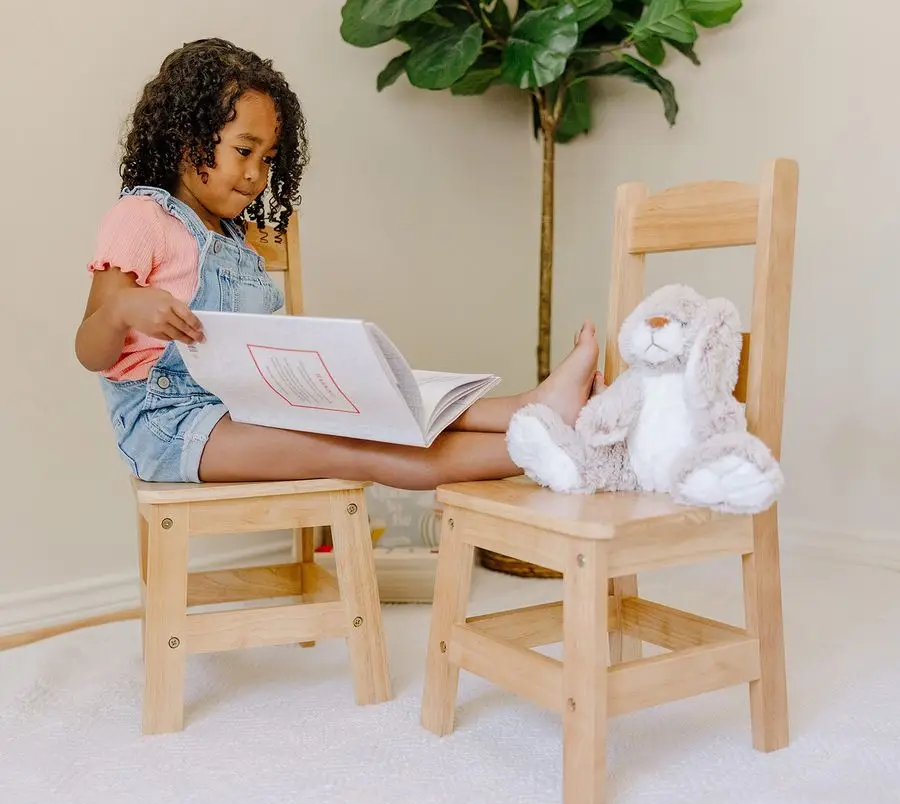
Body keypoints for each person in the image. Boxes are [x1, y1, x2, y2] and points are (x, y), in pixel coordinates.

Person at [75, 38, 600, 490]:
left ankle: (529, 408)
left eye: (268, 158)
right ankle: (543, 448)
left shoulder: (235, 238)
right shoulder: (140, 216)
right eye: (244, 149)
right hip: (172, 426)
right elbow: (90, 351)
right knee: (354, 450)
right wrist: (123, 308)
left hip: (245, 403)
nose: (257, 173)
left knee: (380, 393)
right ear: (188, 139)